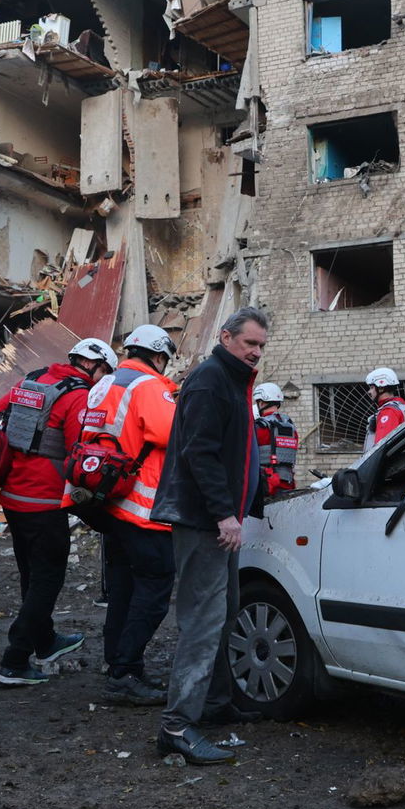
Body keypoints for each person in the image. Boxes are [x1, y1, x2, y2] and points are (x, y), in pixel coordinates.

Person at [152, 308, 270, 765]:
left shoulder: (233, 380)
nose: (256, 352)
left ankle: (216, 704)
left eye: (261, 346)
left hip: (220, 521)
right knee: (203, 621)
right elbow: (199, 452)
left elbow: (237, 453)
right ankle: (177, 726)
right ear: (225, 337)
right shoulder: (210, 380)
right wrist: (224, 514)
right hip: (204, 522)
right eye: (250, 343)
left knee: (224, 613)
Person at [0, 338, 116, 686]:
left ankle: (45, 642)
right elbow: (79, 454)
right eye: (105, 372)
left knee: (31, 576)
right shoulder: (78, 396)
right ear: (94, 366)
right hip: (45, 502)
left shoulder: (33, 379)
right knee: (47, 581)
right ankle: (14, 660)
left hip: (12, 498)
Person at [72, 323, 178, 707]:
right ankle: (124, 672)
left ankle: (116, 661)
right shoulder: (148, 386)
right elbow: (171, 433)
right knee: (155, 585)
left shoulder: (106, 383)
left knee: (123, 587)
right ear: (158, 355)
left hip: (108, 500)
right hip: (140, 505)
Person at [252, 383, 299, 496]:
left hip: (265, 486)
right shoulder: (291, 427)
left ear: (261, 403)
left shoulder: (259, 427)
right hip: (288, 484)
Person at [363, 367, 405, 450]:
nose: (369, 392)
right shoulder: (399, 406)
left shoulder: (389, 412)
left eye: (372, 387)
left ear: (381, 388)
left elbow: (381, 448)